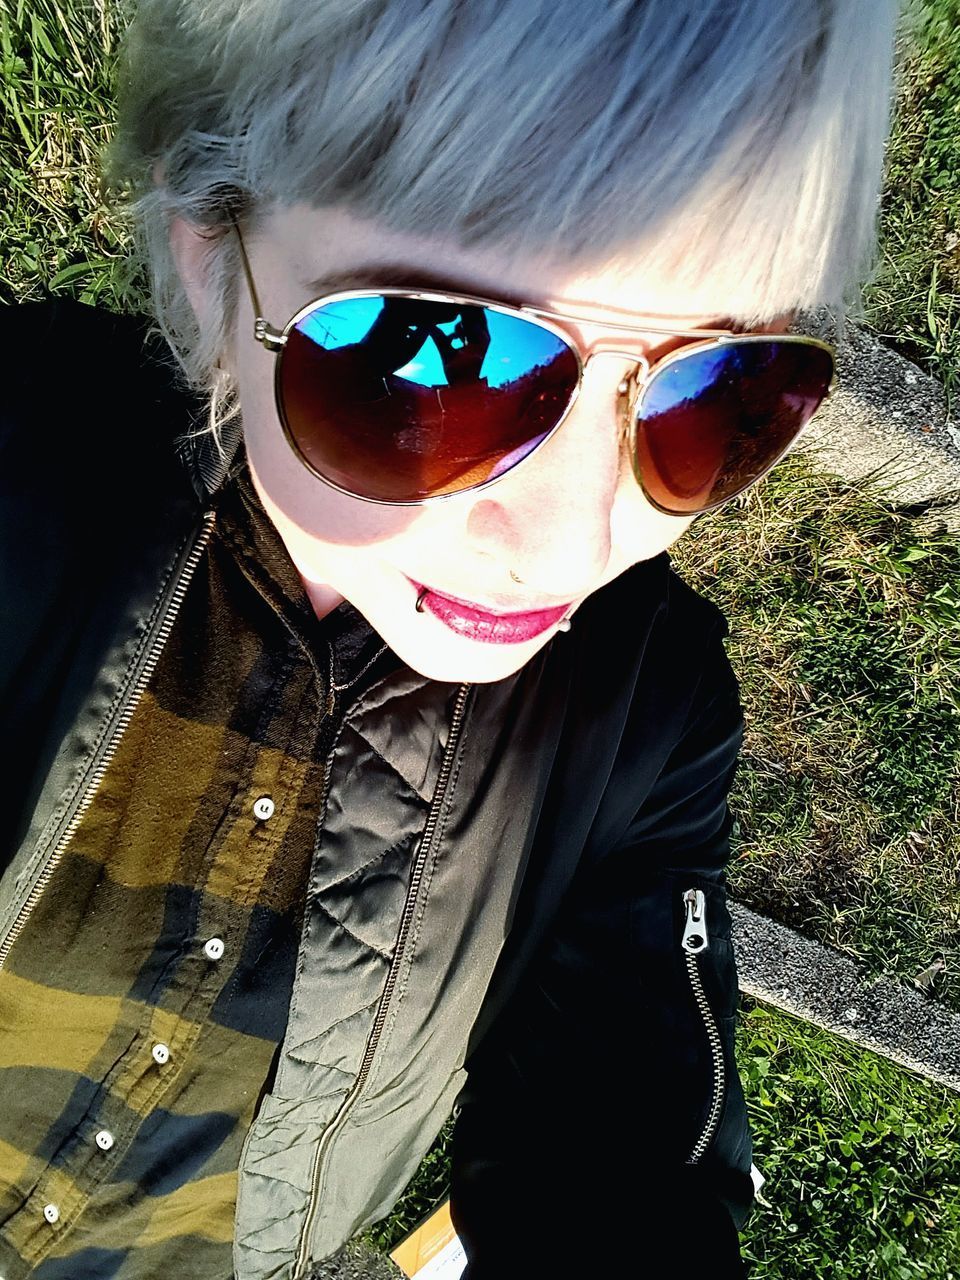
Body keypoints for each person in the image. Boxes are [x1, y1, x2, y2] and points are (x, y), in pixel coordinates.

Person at [0, 1, 897, 1276]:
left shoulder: (647, 712)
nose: (571, 542)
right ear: (211, 256)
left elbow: (623, 1160)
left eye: (719, 387)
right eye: (432, 358)